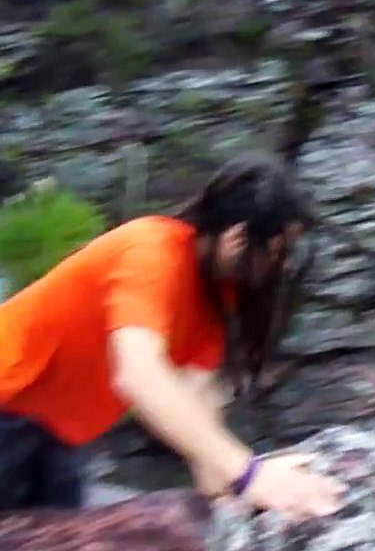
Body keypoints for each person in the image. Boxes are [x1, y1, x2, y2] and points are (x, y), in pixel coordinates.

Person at [0, 152, 345, 519]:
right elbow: (138, 374)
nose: (283, 267)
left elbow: (199, 399)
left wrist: (234, 489)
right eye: (278, 252)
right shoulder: (151, 253)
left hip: (57, 435)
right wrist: (248, 474)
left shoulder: (212, 297)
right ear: (236, 237)